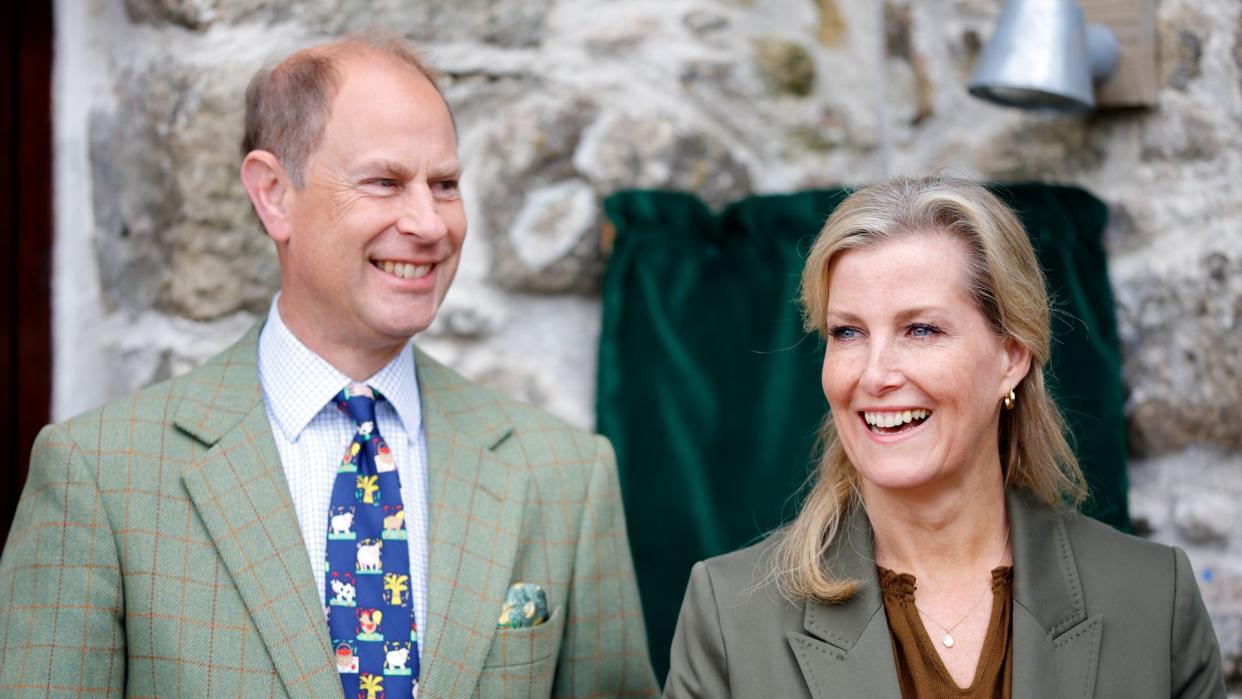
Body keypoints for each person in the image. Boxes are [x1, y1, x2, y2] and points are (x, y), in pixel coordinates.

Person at [0, 34, 658, 698]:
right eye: (385, 182)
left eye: (446, 184)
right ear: (273, 194)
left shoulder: (566, 477)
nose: (430, 223)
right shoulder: (102, 476)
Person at [664, 175, 1224, 698]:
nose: (875, 374)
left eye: (921, 329)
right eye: (848, 332)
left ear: (1011, 357)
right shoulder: (729, 613)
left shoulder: (1155, 599)